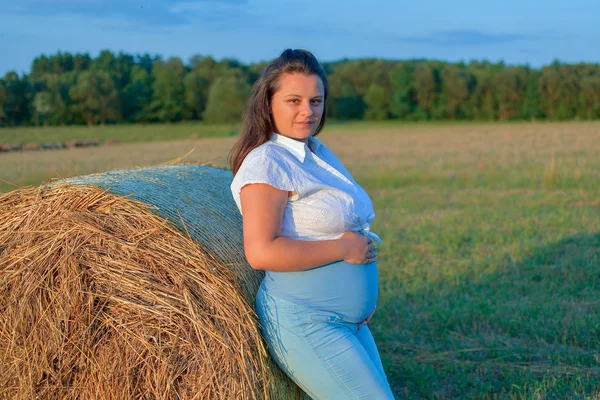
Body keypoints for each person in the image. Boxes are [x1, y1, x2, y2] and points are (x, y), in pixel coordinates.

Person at [229, 49, 395, 399]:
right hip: (306, 321)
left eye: (315, 100)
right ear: (268, 103)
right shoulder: (267, 163)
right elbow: (260, 252)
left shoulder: (317, 152)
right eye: (294, 100)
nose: (308, 111)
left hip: (346, 320)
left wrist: (359, 297)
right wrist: (344, 248)